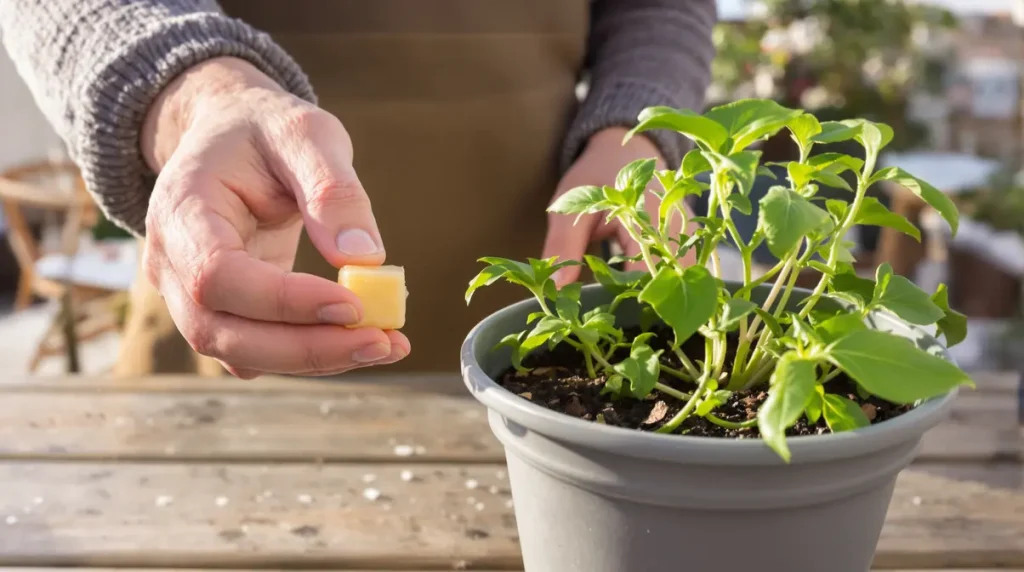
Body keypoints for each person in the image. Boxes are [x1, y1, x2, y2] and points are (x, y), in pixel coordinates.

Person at [1, 0, 716, 378]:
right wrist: (191, 92)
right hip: (228, 278)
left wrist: (636, 123)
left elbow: (660, 7)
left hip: (534, 315)